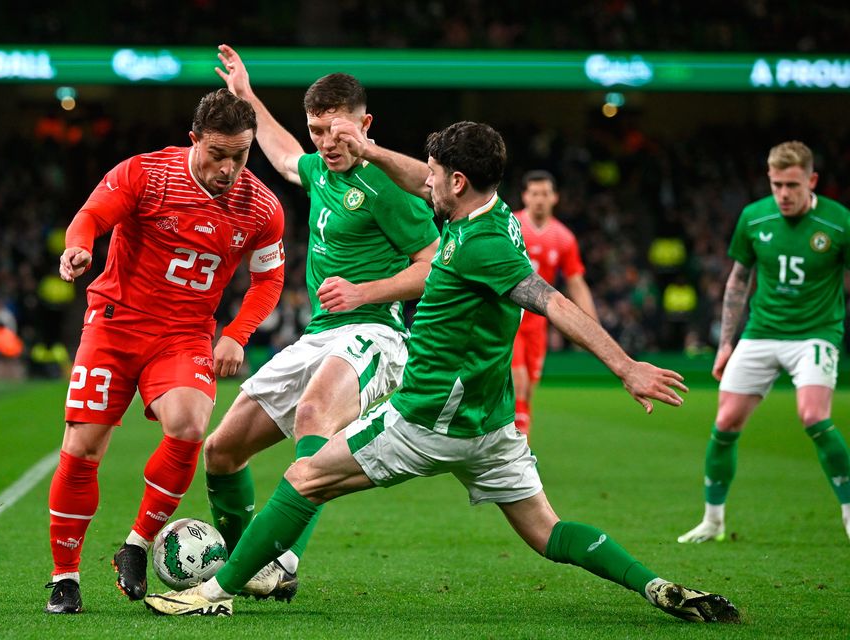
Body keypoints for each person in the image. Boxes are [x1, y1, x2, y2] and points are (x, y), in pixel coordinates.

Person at [144, 121, 740, 624]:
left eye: (433, 173)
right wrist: (373, 152)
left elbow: (552, 301)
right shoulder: (492, 214)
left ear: (457, 181)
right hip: (492, 426)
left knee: (303, 477)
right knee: (547, 533)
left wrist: (625, 365)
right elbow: (415, 177)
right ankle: (657, 587)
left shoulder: (482, 246)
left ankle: (212, 593)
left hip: (425, 419)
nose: (422, 179)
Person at [198, 44, 439, 600]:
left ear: (365, 125)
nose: (327, 144)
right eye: (317, 131)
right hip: (319, 334)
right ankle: (250, 562)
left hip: (376, 331)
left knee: (313, 417)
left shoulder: (389, 188)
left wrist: (364, 292)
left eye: (338, 131)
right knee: (222, 450)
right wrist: (246, 96)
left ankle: (280, 561)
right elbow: (283, 156)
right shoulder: (318, 167)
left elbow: (434, 266)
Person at [44, 89, 286, 614]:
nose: (228, 168)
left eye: (240, 157)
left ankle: (135, 544)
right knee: (84, 448)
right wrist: (79, 246)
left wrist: (236, 333)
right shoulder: (145, 174)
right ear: (194, 139)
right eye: (218, 154)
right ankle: (64, 577)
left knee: (190, 424)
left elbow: (269, 281)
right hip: (114, 325)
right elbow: (90, 216)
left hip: (183, 334)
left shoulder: (262, 207)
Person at [678, 140, 850, 544]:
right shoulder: (754, 218)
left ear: (812, 180)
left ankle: (847, 510)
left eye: (792, 185)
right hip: (761, 332)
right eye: (776, 185)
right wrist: (726, 344)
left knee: (812, 415)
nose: (783, 194)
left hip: (816, 333)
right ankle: (713, 520)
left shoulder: (839, 222)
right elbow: (738, 281)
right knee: (725, 422)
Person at [511, 171, 597, 439]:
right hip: (510, 316)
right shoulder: (510, 224)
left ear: (555, 198)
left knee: (529, 389)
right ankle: (517, 441)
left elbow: (576, 283)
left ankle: (519, 436)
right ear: (525, 196)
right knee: (519, 381)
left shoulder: (563, 238)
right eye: (534, 193)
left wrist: (592, 327)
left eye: (545, 194)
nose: (539, 199)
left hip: (538, 322)